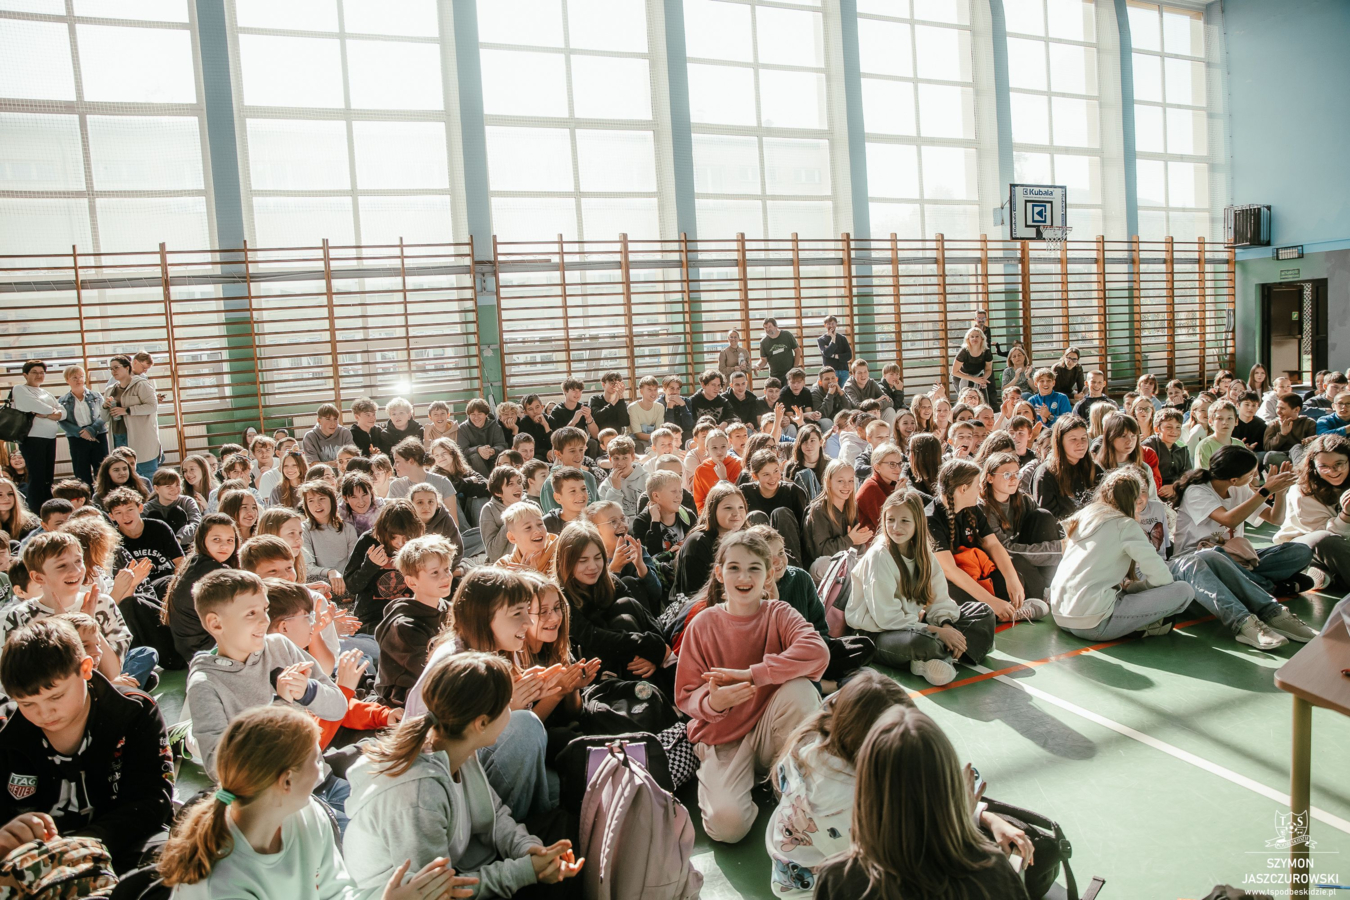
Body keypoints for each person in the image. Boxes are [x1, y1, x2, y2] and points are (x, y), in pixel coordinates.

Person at [345, 653, 581, 898]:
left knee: (562, 826)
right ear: (481, 724)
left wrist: (529, 849)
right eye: (507, 705)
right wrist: (527, 871)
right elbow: (441, 891)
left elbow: (495, 813)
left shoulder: (459, 750)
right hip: (420, 893)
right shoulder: (420, 794)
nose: (512, 711)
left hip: (453, 872)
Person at [160, 705, 457, 900]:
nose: (322, 768)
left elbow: (336, 892)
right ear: (286, 781)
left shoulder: (307, 813)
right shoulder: (222, 884)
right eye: (316, 760)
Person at [674, 529, 828, 843]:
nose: (744, 577)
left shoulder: (779, 613)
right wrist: (713, 703)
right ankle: (755, 782)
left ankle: (787, 776)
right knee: (727, 828)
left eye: (754, 568)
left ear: (768, 575)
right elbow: (686, 695)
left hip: (771, 733)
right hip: (724, 739)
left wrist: (751, 675)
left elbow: (817, 652)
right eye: (734, 568)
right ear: (719, 574)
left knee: (801, 690)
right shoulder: (702, 624)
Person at [0, 618, 172, 875]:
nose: (44, 713)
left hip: (122, 845)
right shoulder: (4, 731)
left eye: (56, 696)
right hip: (34, 861)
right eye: (27, 704)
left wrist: (80, 845)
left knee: (166, 869)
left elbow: (152, 801)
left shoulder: (134, 711)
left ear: (86, 668)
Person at [812, 705, 1032, 900]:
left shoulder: (838, 879)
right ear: (949, 785)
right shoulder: (991, 868)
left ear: (867, 787)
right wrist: (963, 821)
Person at [765, 672, 914, 897]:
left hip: (795, 860)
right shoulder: (842, 800)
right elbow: (877, 864)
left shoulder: (817, 740)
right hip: (815, 889)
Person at [1169, 445, 1317, 648]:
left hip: (1239, 558)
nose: (1255, 477)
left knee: (1300, 551)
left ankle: (1254, 585)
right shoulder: (1197, 491)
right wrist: (1265, 490)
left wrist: (1280, 493)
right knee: (1213, 555)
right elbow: (1229, 519)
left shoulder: (1240, 488)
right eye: (1251, 474)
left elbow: (1275, 518)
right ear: (1233, 479)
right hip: (1201, 559)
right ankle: (1267, 592)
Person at [847, 491, 996, 686]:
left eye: (904, 521)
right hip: (879, 633)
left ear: (917, 522)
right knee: (920, 642)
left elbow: (940, 599)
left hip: (913, 624)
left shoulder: (924, 553)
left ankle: (936, 656)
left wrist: (946, 625)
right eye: (890, 520)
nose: (896, 527)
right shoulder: (879, 555)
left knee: (984, 612)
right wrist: (937, 632)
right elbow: (887, 618)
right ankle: (959, 649)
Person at [1050, 469, 1195, 640]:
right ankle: (1144, 626)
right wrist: (1135, 588)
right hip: (1094, 624)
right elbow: (1162, 578)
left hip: (1060, 616)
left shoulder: (1084, 516)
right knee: (1184, 590)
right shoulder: (1125, 525)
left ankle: (1142, 626)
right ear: (1136, 500)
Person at [930, 458, 1050, 623]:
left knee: (1015, 577)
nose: (980, 489)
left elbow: (993, 544)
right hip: (950, 581)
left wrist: (1012, 579)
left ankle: (1000, 613)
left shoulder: (972, 509)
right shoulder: (931, 518)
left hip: (975, 573)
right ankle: (1001, 614)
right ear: (963, 489)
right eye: (977, 485)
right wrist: (991, 601)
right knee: (955, 598)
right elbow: (950, 570)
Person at [374, 535, 454, 707]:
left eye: (447, 569)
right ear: (412, 582)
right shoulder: (404, 626)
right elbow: (431, 673)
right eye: (435, 573)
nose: (445, 577)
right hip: (407, 703)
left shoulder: (451, 611)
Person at [979, 451, 1062, 601]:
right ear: (990, 478)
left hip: (1026, 556)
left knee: (1043, 516)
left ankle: (1051, 586)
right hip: (1002, 564)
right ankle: (1041, 593)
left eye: (1017, 474)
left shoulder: (1023, 500)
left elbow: (1054, 528)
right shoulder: (983, 508)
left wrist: (1069, 541)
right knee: (1015, 558)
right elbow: (1005, 550)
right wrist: (1058, 549)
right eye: (1007, 475)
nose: (1013, 479)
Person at [1272, 434, 1350, 590]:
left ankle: (1326, 576)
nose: (1332, 471)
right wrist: (1346, 515)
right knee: (1327, 540)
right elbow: (1328, 536)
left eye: (1339, 464)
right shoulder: (1302, 491)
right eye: (1323, 466)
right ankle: (1318, 570)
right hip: (1307, 547)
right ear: (1314, 466)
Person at [163, 512, 238, 663]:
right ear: (202, 540)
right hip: (203, 650)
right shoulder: (212, 570)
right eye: (216, 539)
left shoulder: (196, 561)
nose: (224, 546)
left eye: (230, 540)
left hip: (189, 647)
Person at [672, 481, 747, 599]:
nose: (737, 513)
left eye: (741, 507)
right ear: (713, 510)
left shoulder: (746, 538)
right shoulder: (698, 543)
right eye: (728, 508)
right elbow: (696, 593)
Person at [9, 360, 65, 510]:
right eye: (34, 372)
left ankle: (48, 510)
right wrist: (53, 412)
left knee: (48, 478)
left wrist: (47, 413)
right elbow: (33, 405)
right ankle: (36, 511)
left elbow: (63, 412)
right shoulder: (20, 389)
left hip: (50, 438)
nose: (39, 375)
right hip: (32, 439)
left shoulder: (46, 393)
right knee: (37, 477)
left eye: (42, 373)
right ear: (25, 375)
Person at [802, 460, 873, 578]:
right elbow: (820, 552)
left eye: (850, 481)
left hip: (846, 563)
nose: (847, 486)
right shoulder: (818, 510)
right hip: (824, 570)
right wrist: (850, 540)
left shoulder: (852, 507)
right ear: (828, 482)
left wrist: (859, 538)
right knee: (822, 563)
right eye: (840, 481)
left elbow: (858, 550)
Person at [299, 480, 360, 600]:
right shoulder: (303, 529)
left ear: (332, 501)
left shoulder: (348, 529)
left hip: (345, 583)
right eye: (311, 501)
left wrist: (343, 582)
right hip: (321, 583)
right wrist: (330, 572)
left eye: (321, 499)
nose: (317, 504)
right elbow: (308, 567)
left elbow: (354, 564)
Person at [1032, 414, 1101, 518]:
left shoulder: (1094, 470)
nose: (1080, 443)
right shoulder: (1046, 474)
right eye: (1073, 439)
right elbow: (1047, 518)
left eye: (1083, 438)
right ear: (1060, 441)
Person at [105, 355, 161, 483]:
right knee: (124, 479)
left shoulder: (142, 385)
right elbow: (104, 417)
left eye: (116, 367)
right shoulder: (110, 390)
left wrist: (127, 410)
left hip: (140, 438)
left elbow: (152, 406)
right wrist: (104, 407)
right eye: (111, 369)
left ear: (127, 368)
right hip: (118, 438)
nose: (113, 371)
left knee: (147, 476)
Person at [55, 365, 107, 489]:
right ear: (67, 380)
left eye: (81, 377)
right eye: (74, 377)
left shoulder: (96, 396)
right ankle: (85, 496)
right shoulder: (62, 400)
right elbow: (61, 421)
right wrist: (79, 432)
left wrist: (91, 429)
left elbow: (104, 414)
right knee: (81, 471)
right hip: (76, 438)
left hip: (98, 435)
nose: (79, 380)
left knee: (102, 469)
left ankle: (103, 495)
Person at [1144, 408, 1193, 500]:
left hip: (1177, 489)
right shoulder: (1148, 447)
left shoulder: (1182, 448)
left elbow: (1188, 474)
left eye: (1178, 427)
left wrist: (1175, 486)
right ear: (1157, 429)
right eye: (1169, 427)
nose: (1174, 431)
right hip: (1154, 492)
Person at [144, 468, 201, 545]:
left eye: (177, 485)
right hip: (157, 547)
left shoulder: (187, 501)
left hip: (184, 546)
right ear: (157, 488)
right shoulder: (147, 508)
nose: (175, 490)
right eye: (168, 486)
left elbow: (196, 523)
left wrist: (179, 538)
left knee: (176, 512)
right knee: (153, 515)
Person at [458, 398, 508, 479]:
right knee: (475, 457)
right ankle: (486, 483)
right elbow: (462, 450)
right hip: (472, 464)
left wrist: (493, 451)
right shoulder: (463, 428)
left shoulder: (494, 426)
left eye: (480, 414)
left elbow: (502, 445)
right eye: (473, 414)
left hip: (492, 459)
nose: (476, 417)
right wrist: (478, 450)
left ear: (486, 414)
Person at [951, 327, 993, 407]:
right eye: (972, 337)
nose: (974, 338)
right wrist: (973, 379)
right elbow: (954, 372)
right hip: (961, 377)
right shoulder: (964, 352)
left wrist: (983, 379)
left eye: (977, 336)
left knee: (983, 402)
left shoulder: (986, 352)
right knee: (966, 401)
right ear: (968, 339)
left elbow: (988, 369)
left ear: (982, 338)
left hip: (978, 376)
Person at [756, 317, 804, 385]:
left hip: (789, 373)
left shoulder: (787, 335)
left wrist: (795, 367)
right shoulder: (763, 342)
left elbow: (797, 350)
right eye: (765, 328)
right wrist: (757, 366)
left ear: (776, 326)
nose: (767, 329)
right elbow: (763, 360)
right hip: (775, 375)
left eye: (769, 327)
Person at [816, 316, 851, 380]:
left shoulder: (843, 338)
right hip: (830, 372)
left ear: (836, 324)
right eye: (829, 324)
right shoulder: (821, 340)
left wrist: (835, 356)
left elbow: (849, 355)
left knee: (844, 387)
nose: (831, 326)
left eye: (833, 323)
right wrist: (833, 338)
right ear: (825, 325)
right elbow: (827, 353)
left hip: (843, 370)